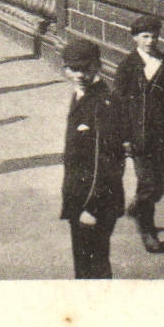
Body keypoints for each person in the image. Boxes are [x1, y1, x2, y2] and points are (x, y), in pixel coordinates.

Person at [113, 14, 164, 254]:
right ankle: (148, 230)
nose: (150, 41)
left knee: (162, 181)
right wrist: (122, 136)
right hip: (137, 134)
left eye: (154, 36)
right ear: (135, 38)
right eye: (145, 36)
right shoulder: (127, 66)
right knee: (148, 182)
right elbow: (119, 103)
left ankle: (138, 208)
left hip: (160, 133)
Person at [60, 37, 126, 279]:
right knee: (85, 265)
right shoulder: (81, 95)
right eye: (73, 69)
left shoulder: (102, 104)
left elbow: (108, 162)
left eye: (85, 69)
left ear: (97, 66)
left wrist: (92, 207)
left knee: (94, 266)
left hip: (95, 202)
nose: (79, 74)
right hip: (80, 195)